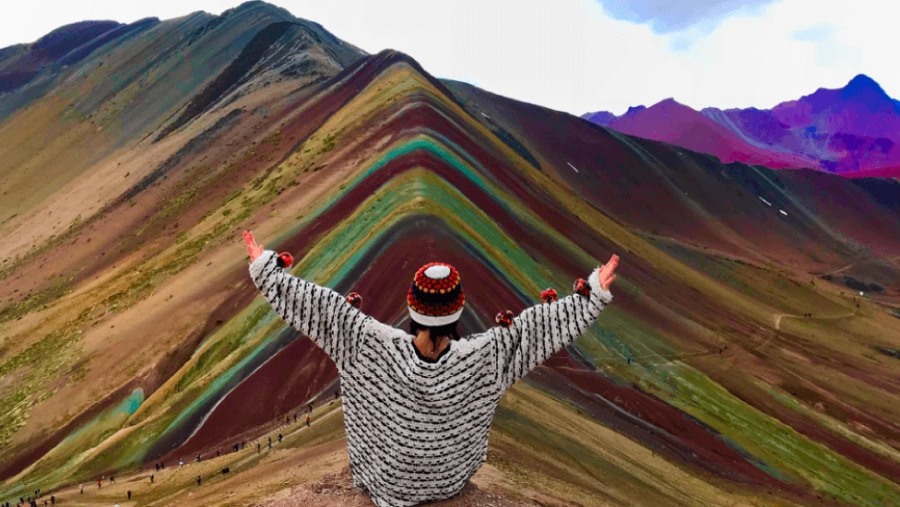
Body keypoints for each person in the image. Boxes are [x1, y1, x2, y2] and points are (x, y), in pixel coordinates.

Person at [243, 230, 617, 507]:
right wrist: (592, 296)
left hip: (384, 488)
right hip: (450, 484)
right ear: (457, 311)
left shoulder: (365, 342)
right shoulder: (486, 357)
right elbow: (536, 330)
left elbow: (318, 306)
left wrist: (265, 270)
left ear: (412, 308)